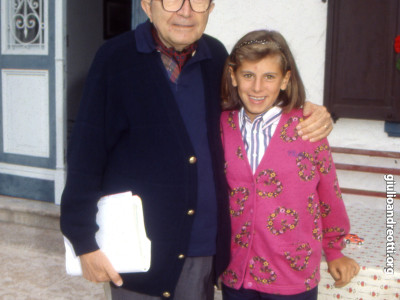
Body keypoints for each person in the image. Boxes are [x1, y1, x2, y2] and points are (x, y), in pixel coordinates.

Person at [60, 1, 333, 299]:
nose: (186, 11)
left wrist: (309, 111)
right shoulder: (115, 59)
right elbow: (86, 153)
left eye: (198, 1)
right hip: (137, 252)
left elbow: (255, 104)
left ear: (211, 8)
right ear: (148, 6)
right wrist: (83, 240)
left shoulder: (216, 57)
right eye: (172, 0)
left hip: (201, 249)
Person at [219, 29, 360, 300]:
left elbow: (329, 197)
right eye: (248, 75)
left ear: (285, 80)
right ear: (234, 76)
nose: (257, 87)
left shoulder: (308, 130)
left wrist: (334, 251)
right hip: (236, 274)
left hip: (291, 276)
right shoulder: (222, 126)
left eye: (269, 77)